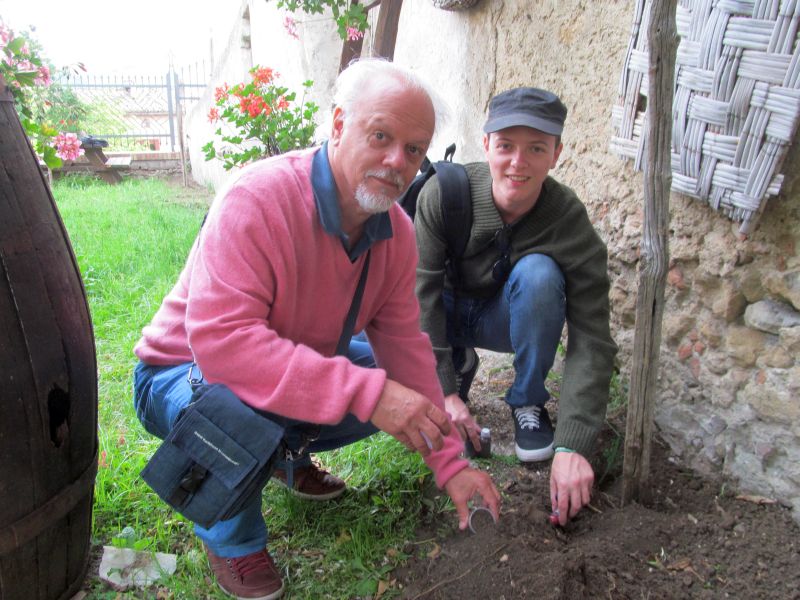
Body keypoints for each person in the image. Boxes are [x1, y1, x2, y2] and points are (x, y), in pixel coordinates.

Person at [132, 59, 500, 600]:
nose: (397, 161)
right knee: (253, 400)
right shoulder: (257, 198)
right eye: (381, 136)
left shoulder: (395, 233)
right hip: (180, 376)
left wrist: (450, 465)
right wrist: (368, 394)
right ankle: (232, 539)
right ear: (337, 124)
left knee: (393, 381)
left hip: (277, 362)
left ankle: (284, 456)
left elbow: (405, 350)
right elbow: (222, 346)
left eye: (415, 149)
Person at [413, 87, 617, 526]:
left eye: (536, 149)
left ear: (556, 154)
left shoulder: (568, 220)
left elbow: (592, 336)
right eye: (505, 146)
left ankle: (526, 403)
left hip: (501, 319)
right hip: (444, 315)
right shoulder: (442, 194)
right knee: (425, 322)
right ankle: (458, 367)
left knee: (541, 273)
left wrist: (572, 444)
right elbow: (419, 298)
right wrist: (443, 390)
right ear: (486, 145)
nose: (518, 163)